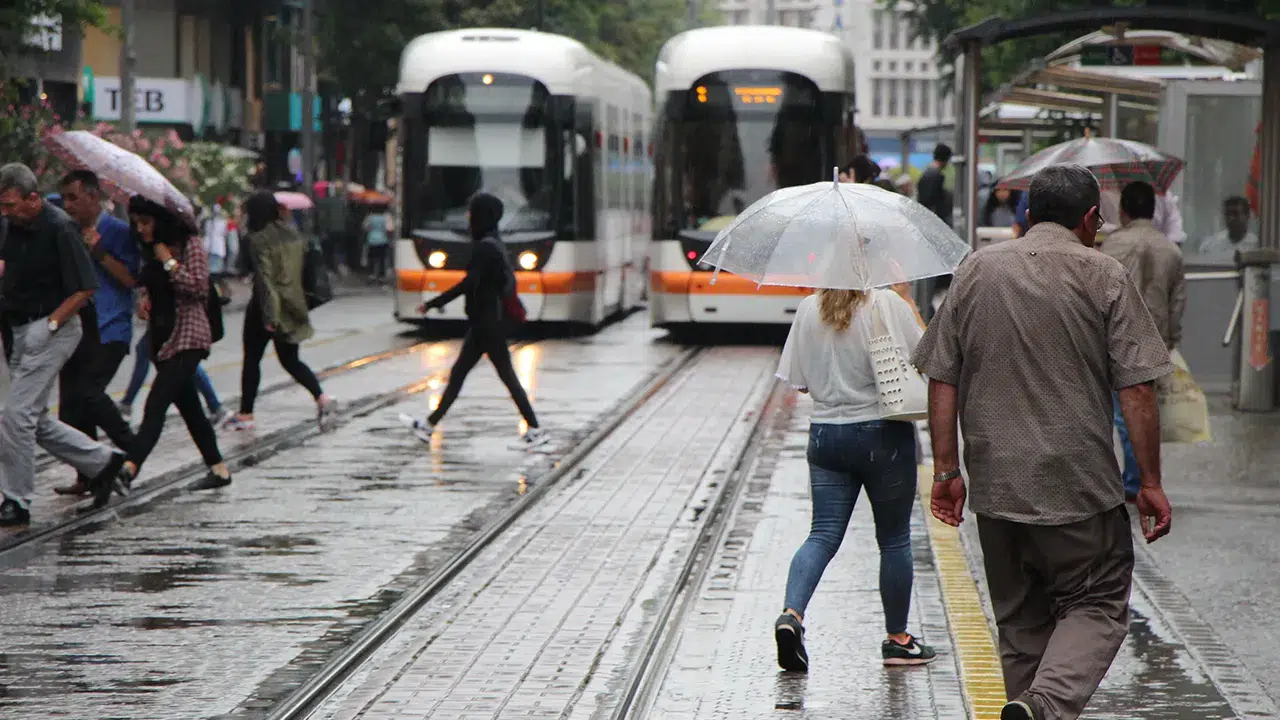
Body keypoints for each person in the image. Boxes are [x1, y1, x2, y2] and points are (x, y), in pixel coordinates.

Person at [913, 163, 1174, 720]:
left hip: (997, 488)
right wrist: (1150, 482)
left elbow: (941, 375)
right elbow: (1137, 389)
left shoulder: (976, 269)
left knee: (1021, 622)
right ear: (1089, 219)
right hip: (1078, 488)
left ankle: (1028, 707)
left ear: (1029, 214)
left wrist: (946, 471)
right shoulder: (1104, 275)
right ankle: (1045, 705)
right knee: (1098, 601)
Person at [773, 287, 937, 673]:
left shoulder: (808, 308)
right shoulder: (887, 303)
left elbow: (799, 382)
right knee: (894, 539)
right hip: (883, 434)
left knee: (822, 534)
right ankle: (898, 641)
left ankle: (791, 615)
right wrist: (909, 303)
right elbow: (928, 357)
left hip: (826, 435)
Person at [0, 163, 128, 522]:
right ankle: (104, 461)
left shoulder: (61, 228)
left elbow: (86, 288)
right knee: (33, 419)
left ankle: (16, 500)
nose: (5, 212)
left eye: (10, 205)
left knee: (16, 415)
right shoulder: (10, 226)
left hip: (55, 328)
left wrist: (51, 323)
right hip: (19, 329)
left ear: (33, 199)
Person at [399, 193, 546, 448]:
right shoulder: (494, 244)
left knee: (497, 376)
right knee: (464, 375)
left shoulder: (486, 248)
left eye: (472, 212)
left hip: (487, 324)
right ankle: (430, 425)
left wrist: (434, 303)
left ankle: (535, 428)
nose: (468, 217)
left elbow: (468, 283)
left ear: (482, 216)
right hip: (487, 322)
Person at [116, 196, 232, 492]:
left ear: (161, 220)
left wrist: (168, 260)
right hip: (163, 340)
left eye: (146, 222)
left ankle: (129, 468)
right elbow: (148, 284)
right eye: (136, 223)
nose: (140, 229)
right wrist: (144, 298)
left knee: (155, 405)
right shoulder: (150, 249)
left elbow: (198, 287)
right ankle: (219, 470)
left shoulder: (189, 243)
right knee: (191, 409)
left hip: (189, 336)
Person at [53, 171, 141, 496]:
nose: (68, 205)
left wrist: (101, 251)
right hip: (75, 328)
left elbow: (131, 279)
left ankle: (133, 449)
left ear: (93, 196)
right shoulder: (66, 230)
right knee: (71, 406)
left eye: (74, 198)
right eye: (65, 198)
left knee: (90, 393)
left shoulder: (118, 231)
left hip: (110, 328)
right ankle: (88, 475)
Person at [1100, 181, 1186, 501]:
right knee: (1145, 408)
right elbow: (1177, 303)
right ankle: (1143, 476)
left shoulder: (1112, 245)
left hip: (1117, 337)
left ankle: (1135, 479)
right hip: (1155, 340)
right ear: (1153, 210)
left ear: (1123, 210)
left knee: (1121, 413)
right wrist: (1172, 340)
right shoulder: (1171, 250)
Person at [224, 191, 336, 432]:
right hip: (293, 305)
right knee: (290, 360)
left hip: (264, 308)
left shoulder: (258, 240)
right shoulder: (294, 235)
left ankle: (246, 414)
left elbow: (266, 281)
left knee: (252, 360)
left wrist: (270, 316)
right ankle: (322, 397)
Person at [120, 330, 229, 424]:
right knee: (182, 356)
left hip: (172, 318)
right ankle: (215, 406)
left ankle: (127, 404)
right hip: (173, 319)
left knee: (183, 357)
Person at [916, 143, 953, 224]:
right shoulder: (936, 175)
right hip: (931, 219)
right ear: (946, 159)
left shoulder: (927, 172)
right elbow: (932, 200)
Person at [362, 204, 392, 283]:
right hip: (383, 240)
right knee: (382, 259)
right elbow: (390, 228)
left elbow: (365, 227)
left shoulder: (370, 217)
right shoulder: (386, 216)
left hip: (371, 240)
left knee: (372, 258)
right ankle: (381, 276)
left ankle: (372, 275)